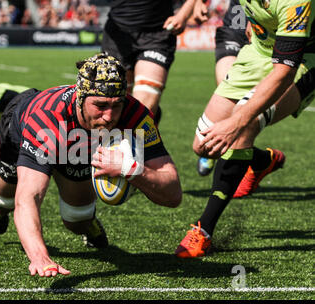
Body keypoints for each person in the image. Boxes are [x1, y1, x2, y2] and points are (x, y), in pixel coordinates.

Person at [0, 53, 182, 277]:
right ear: (80, 98)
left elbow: (173, 195)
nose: (109, 116)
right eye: (100, 105)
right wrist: (39, 256)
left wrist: (131, 170)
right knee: (3, 202)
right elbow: (28, 199)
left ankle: (88, 223)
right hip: (22, 128)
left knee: (77, 218)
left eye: (117, 105)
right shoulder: (47, 119)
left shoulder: (135, 115)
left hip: (77, 143)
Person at [175, 0, 314, 258]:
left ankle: (203, 230)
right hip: (258, 52)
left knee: (243, 124)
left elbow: (283, 72)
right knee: (203, 145)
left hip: (300, 63)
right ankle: (263, 160)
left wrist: (237, 123)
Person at [101, 0, 198, 124]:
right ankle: (152, 121)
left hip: (158, 34)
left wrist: (183, 14)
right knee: (114, 104)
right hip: (117, 36)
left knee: (140, 111)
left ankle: (141, 129)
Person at [196, 0, 251, 176]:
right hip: (234, 31)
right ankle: (219, 144)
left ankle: (260, 159)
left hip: (268, 38)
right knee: (230, 87)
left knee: (250, 105)